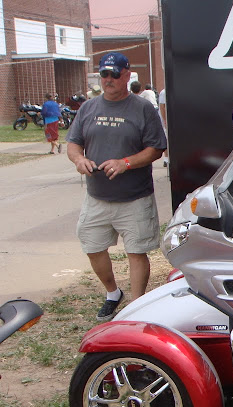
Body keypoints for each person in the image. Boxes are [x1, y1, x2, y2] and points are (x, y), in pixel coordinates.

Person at [66, 52, 167, 321]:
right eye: (104, 74)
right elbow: (74, 143)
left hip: (134, 197)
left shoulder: (143, 108)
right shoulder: (88, 108)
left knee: (136, 251)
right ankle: (112, 293)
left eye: (114, 74)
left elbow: (156, 148)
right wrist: (79, 159)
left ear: (126, 75)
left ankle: (136, 308)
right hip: (97, 196)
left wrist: (125, 163)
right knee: (92, 246)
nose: (108, 79)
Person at [159, 87, 169, 166]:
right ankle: (166, 158)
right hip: (165, 121)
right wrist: (165, 119)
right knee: (166, 138)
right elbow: (162, 107)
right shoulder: (164, 92)